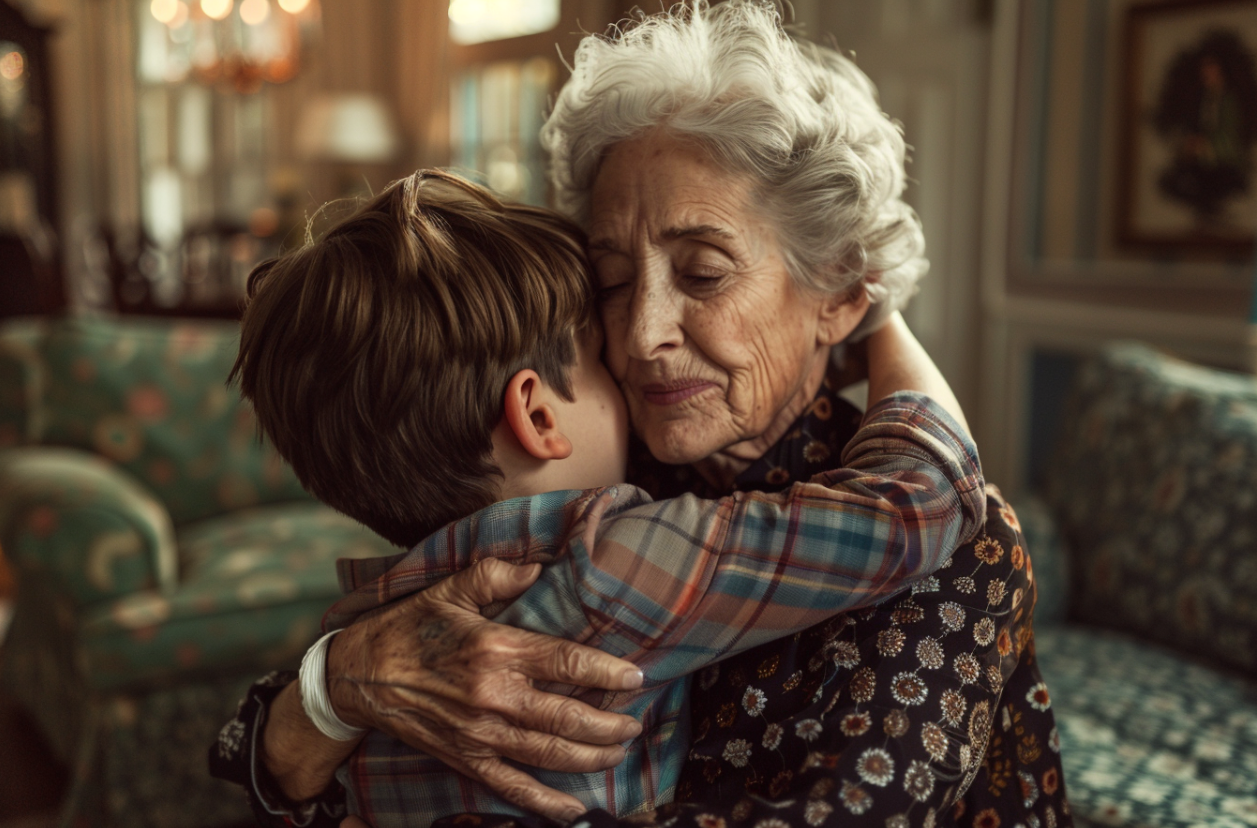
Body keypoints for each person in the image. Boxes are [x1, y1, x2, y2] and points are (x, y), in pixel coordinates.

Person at [214, 3, 1071, 827]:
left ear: (840, 291)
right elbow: (277, 765)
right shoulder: (599, 475)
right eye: (612, 280)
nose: (640, 331)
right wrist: (337, 683)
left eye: (702, 274)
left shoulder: (960, 548)